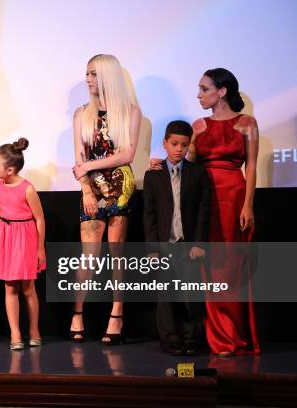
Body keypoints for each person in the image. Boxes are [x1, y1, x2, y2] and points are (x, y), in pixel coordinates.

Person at [150, 68, 260, 356]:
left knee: (229, 266)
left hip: (234, 196)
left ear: (221, 91)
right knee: (205, 267)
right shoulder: (198, 126)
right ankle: (208, 336)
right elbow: (185, 161)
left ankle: (231, 335)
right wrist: (158, 165)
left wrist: (248, 204)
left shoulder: (247, 123)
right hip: (201, 199)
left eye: (204, 89)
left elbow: (253, 166)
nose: (198, 94)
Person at [71, 54, 141, 344]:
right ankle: (77, 312)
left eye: (93, 74)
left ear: (108, 76)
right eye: (87, 74)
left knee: (117, 254)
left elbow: (127, 155)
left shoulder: (130, 112)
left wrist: (87, 166)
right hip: (92, 188)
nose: (88, 80)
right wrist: (87, 188)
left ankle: (117, 315)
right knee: (90, 256)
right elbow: (79, 157)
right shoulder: (81, 114)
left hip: (120, 185)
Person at [143, 120, 210, 356]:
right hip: (165, 245)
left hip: (188, 244)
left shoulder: (198, 173)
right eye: (174, 144)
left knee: (191, 294)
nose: (178, 149)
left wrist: (199, 244)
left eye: (184, 144)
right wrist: (152, 249)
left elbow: (203, 211)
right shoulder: (153, 175)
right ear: (164, 143)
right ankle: (170, 339)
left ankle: (191, 338)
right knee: (166, 295)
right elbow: (149, 214)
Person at [0, 138, 46, 350]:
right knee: (10, 286)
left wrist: (39, 248)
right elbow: (1, 216)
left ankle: (34, 330)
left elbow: (39, 218)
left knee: (28, 287)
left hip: (25, 238)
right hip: (6, 237)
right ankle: (15, 334)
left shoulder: (27, 189)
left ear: (9, 169)